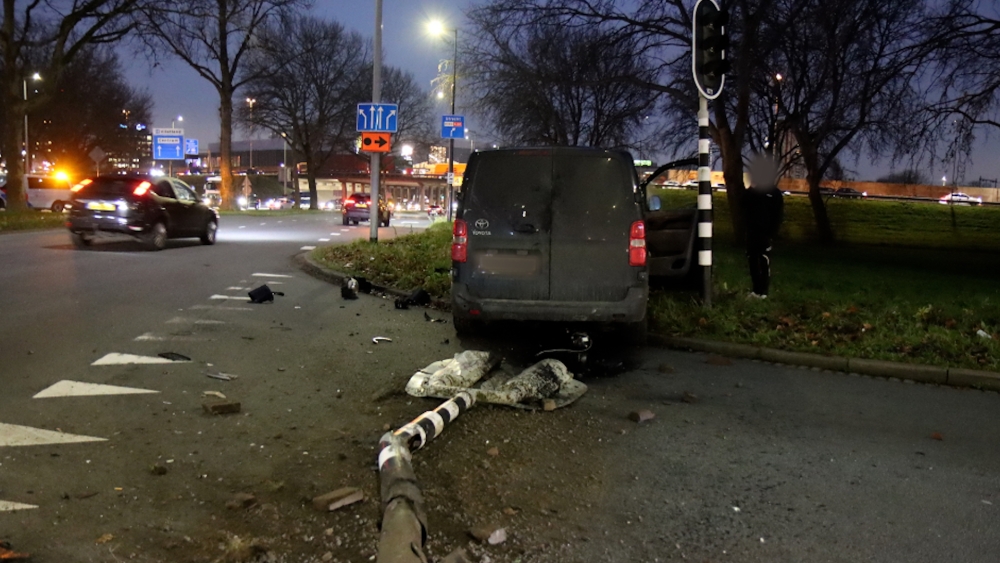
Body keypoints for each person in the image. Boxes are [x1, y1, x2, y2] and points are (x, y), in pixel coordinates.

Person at [743, 154, 784, 298]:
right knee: (752, 260)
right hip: (752, 232)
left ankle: (763, 291)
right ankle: (756, 290)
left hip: (765, 233)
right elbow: (744, 205)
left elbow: (778, 215)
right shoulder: (753, 192)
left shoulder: (774, 193)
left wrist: (772, 233)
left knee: (763, 260)